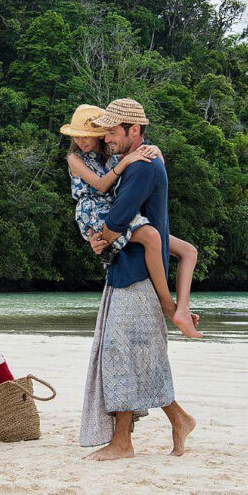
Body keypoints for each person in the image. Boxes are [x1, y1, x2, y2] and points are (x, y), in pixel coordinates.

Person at [79, 98, 196, 460]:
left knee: (120, 353)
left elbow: (118, 218)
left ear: (134, 130)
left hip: (138, 275)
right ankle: (177, 419)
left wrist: (99, 239)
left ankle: (123, 442)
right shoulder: (139, 160)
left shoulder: (142, 167)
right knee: (132, 356)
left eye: (113, 132)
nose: (107, 138)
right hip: (130, 271)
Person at [61, 104, 201, 338]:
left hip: (110, 208)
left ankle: (183, 309)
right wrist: (128, 161)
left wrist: (152, 148)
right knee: (151, 236)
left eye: (87, 135)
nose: (81, 140)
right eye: (76, 135)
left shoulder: (112, 153)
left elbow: (150, 157)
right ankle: (169, 306)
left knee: (188, 251)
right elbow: (101, 185)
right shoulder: (75, 158)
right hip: (92, 211)